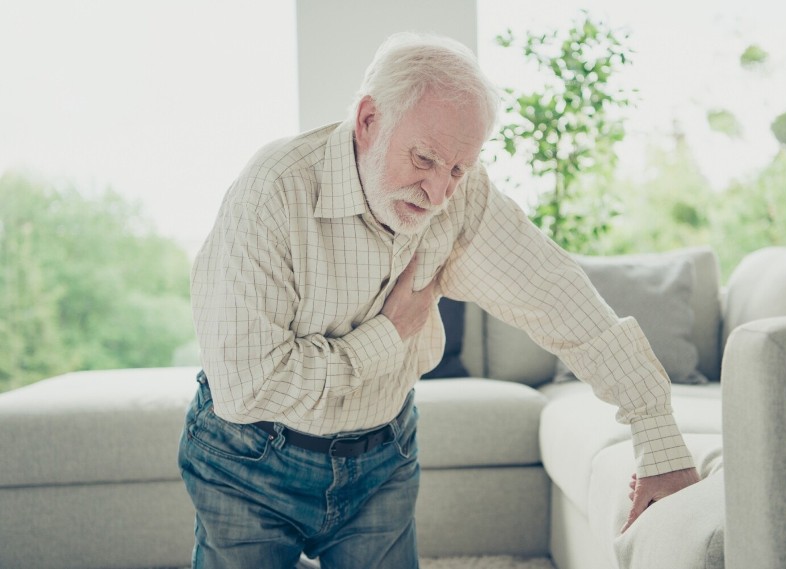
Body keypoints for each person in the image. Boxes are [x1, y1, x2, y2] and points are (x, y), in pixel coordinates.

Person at [179, 31, 700, 569]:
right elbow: (248, 386)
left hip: (381, 455)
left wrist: (655, 432)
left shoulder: (461, 198)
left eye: (457, 168)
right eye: (424, 159)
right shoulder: (274, 191)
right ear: (367, 121)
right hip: (248, 460)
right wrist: (388, 333)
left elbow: (558, 296)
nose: (437, 194)